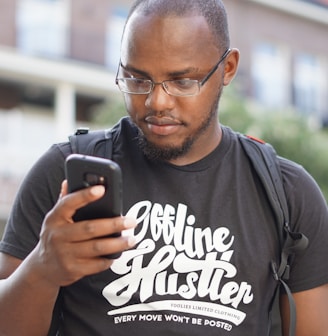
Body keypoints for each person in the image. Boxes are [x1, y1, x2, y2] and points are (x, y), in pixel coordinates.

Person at [0, 0, 328, 335]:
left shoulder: (288, 193)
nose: (157, 102)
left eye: (182, 81)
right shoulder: (63, 172)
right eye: (137, 79)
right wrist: (42, 269)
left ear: (227, 68)